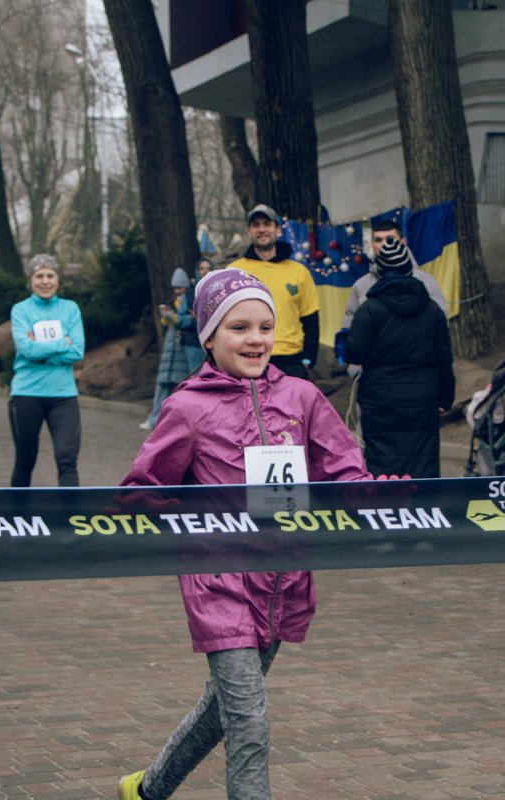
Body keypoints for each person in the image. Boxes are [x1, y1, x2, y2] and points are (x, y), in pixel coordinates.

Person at [116, 268, 373, 800]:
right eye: (239, 328)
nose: (255, 339)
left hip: (282, 578)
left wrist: (380, 495)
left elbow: (344, 471)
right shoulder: (187, 407)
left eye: (264, 327)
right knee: (250, 721)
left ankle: (147, 789)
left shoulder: (302, 397)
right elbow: (144, 487)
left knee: (226, 708)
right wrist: (157, 510)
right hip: (217, 579)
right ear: (209, 337)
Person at [344, 237, 454, 477]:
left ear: (381, 272)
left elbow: (355, 352)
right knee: (423, 461)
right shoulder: (432, 310)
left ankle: (387, 501)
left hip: (379, 399)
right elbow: (444, 359)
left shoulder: (369, 310)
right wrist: (446, 398)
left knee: (383, 463)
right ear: (409, 271)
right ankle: (424, 500)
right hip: (422, 398)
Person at [8, 254, 85, 486]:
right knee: (25, 459)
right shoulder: (21, 310)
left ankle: (71, 510)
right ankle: (18, 509)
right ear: (30, 281)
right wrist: (63, 343)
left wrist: (40, 353)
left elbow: (77, 351)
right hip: (26, 394)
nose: (45, 281)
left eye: (50, 276)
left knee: (67, 459)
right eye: (39, 276)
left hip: (63, 396)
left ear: (58, 280)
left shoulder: (70, 309)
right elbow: (26, 349)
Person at [227, 204, 320, 379]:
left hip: (291, 362)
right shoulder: (234, 272)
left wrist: (308, 361)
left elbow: (311, 321)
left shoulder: (299, 272)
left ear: (277, 230)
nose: (262, 229)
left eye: (267, 224)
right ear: (249, 231)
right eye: (256, 225)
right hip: (248, 358)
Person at [340, 217, 447, 330]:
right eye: (378, 240)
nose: (384, 244)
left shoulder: (424, 280)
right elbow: (349, 326)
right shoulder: (360, 285)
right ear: (372, 244)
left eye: (390, 239)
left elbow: (440, 320)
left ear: (403, 242)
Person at [141, 268, 198, 431]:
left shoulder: (190, 300)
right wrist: (166, 317)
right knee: (163, 384)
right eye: (175, 288)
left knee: (180, 384)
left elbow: (189, 322)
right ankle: (155, 418)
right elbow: (166, 325)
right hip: (170, 346)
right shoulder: (170, 302)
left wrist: (174, 317)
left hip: (183, 347)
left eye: (180, 287)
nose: (178, 291)